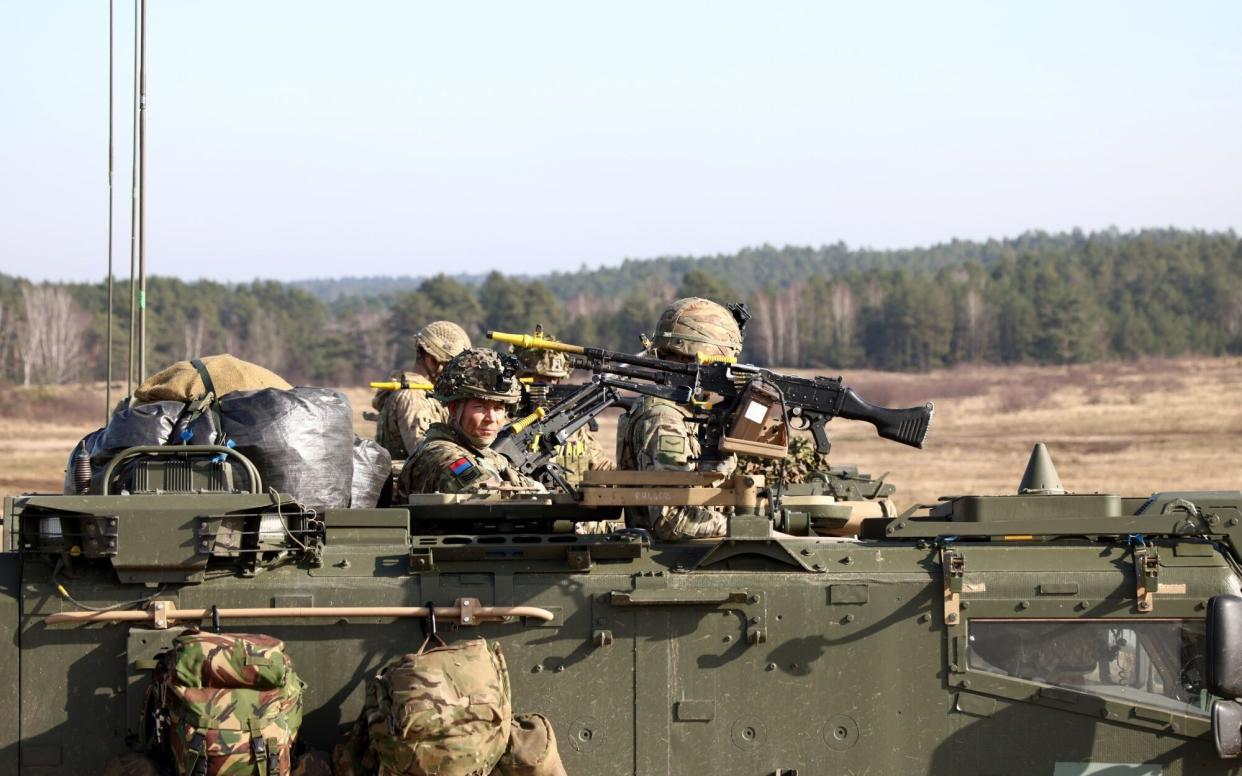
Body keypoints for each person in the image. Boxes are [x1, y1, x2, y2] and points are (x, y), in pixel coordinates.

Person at [616, 297, 743, 540]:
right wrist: (745, 528)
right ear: (698, 358)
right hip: (674, 561)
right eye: (722, 363)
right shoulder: (664, 418)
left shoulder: (681, 409)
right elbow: (673, 520)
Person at [396, 348, 544, 499]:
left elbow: (536, 490)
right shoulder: (442, 455)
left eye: (498, 408)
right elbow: (487, 496)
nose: (491, 418)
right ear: (454, 409)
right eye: (480, 407)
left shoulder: (487, 455)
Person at [511, 325, 615, 487]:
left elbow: (600, 466)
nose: (549, 387)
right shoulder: (500, 424)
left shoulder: (572, 428)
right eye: (540, 379)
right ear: (520, 378)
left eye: (555, 380)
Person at [372, 321, 471, 460]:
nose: (456, 375)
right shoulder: (413, 397)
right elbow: (427, 455)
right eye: (453, 367)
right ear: (432, 360)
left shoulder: (426, 391)